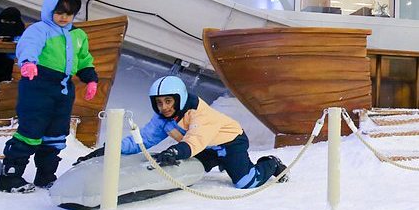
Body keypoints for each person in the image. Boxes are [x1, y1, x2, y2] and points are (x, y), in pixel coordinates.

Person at [79, 76, 285, 190]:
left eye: (168, 101)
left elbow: (194, 141)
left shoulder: (199, 114)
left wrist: (175, 151)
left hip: (229, 143)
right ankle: (213, 161)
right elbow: (143, 140)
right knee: (185, 170)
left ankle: (271, 163)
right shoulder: (164, 118)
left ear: (179, 98)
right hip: (203, 147)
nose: (164, 107)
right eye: (159, 103)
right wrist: (109, 149)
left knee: (245, 183)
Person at [0, 0, 97, 192]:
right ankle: (10, 177)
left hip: (62, 89)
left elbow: (84, 59)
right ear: (49, 10)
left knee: (56, 134)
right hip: (37, 84)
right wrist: (28, 63)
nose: (63, 17)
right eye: (59, 12)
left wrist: (91, 79)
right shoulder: (40, 29)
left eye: (69, 14)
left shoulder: (78, 35)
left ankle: (45, 176)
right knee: (31, 130)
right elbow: (29, 46)